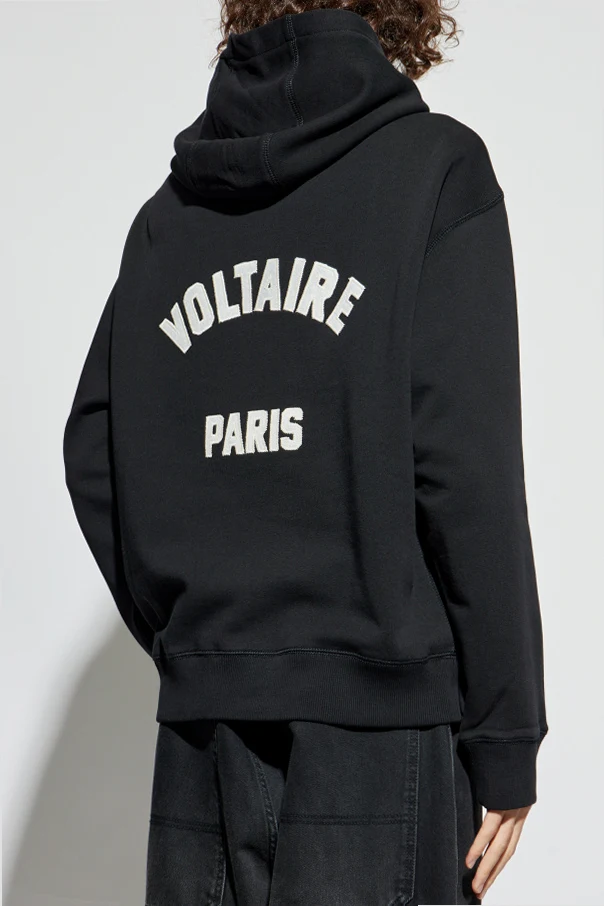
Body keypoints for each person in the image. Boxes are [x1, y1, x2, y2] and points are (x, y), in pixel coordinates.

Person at [63, 2, 548, 903]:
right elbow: (466, 469)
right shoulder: (434, 172)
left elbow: (95, 445)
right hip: (380, 736)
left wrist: (202, 644)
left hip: (203, 736)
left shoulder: (169, 215)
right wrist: (506, 736)